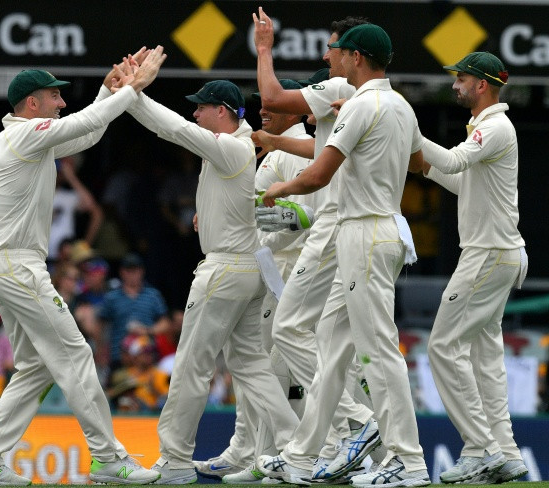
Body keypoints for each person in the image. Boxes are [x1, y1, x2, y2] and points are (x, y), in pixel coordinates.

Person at [0, 47, 167, 486]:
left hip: (9, 265)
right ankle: (109, 459)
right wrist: (133, 88)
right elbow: (85, 123)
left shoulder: (27, 136)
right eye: (55, 96)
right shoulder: (24, 134)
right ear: (33, 103)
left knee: (37, 366)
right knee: (74, 354)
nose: (62, 102)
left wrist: (106, 91)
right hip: (17, 265)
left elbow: (84, 134)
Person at [255, 19, 431, 487]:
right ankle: (302, 456)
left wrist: (278, 189)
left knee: (377, 352)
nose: (329, 58)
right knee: (333, 351)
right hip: (381, 230)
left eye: (336, 52)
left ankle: (408, 463)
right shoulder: (399, 106)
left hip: (364, 234)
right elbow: (417, 162)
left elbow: (316, 177)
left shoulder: (359, 104)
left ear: (355, 57)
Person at [122, 72, 303, 484]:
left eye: (201, 106)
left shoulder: (229, 147)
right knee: (251, 363)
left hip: (224, 269)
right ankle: (295, 450)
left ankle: (175, 460)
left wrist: (131, 96)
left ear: (221, 111)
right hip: (248, 267)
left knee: (191, 366)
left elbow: (174, 128)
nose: (195, 112)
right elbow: (247, 203)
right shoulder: (236, 148)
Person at [413, 52, 528, 484]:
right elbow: (462, 181)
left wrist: (406, 132)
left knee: (441, 347)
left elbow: (457, 161)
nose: (455, 85)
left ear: (481, 84)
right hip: (497, 253)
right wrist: (425, 165)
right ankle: (508, 452)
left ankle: (481, 448)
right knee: (484, 356)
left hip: (489, 254)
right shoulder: (490, 128)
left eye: (460, 79)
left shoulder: (495, 127)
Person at [197, 78, 318, 483]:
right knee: (254, 364)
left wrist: (250, 228)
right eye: (262, 105)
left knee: (270, 368)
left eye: (275, 105)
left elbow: (301, 219)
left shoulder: (295, 150)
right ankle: (249, 451)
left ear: (299, 110)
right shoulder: (274, 149)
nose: (264, 110)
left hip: (285, 267)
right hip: (270, 265)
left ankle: (269, 455)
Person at [97, 253, 170, 374]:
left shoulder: (152, 295)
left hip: (147, 357)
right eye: (128, 271)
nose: (132, 274)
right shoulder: (112, 297)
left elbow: (165, 323)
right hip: (118, 358)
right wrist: (100, 352)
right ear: (122, 272)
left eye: (135, 270)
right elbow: (101, 326)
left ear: (141, 271)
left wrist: (146, 330)